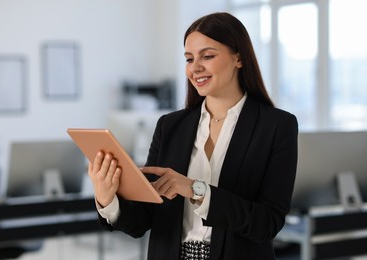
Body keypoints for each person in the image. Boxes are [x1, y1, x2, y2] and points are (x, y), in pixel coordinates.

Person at [88, 12, 298, 260]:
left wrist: (196, 189)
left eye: (207, 56)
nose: (195, 67)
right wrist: (107, 198)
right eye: (189, 58)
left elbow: (267, 224)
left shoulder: (276, 126)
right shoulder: (170, 126)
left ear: (238, 58)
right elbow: (143, 221)